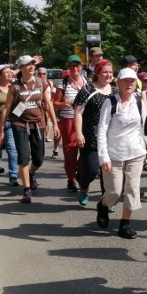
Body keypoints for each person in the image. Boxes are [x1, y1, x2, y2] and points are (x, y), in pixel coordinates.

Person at [95, 68, 147, 239]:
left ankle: (125, 224)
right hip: (114, 154)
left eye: (132, 81)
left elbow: (146, 128)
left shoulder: (139, 102)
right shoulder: (110, 103)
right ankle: (103, 205)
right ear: (118, 83)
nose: (129, 84)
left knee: (132, 189)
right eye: (125, 81)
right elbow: (102, 130)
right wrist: (103, 157)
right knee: (114, 192)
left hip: (136, 153)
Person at [0, 55, 61, 203]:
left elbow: (49, 104)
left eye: (33, 64)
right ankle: (27, 190)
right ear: (21, 68)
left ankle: (31, 174)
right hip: (19, 124)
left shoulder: (41, 83)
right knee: (23, 157)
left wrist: (54, 124)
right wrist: (1, 130)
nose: (31, 67)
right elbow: (6, 109)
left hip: (38, 124)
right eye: (27, 65)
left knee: (39, 159)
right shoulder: (15, 87)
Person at [73, 60, 115, 206]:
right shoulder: (87, 90)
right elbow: (77, 113)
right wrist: (79, 133)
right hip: (90, 137)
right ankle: (83, 185)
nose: (108, 75)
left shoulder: (115, 91)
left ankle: (106, 201)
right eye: (105, 72)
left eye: (110, 72)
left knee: (107, 172)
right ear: (97, 73)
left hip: (110, 139)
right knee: (91, 170)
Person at [54, 55, 87, 193]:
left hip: (86, 119)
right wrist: (63, 103)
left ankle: (80, 173)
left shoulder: (86, 82)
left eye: (77, 65)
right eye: (72, 66)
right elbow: (55, 103)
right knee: (70, 150)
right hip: (68, 119)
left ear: (81, 67)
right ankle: (71, 179)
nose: (75, 68)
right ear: (68, 67)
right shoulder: (63, 83)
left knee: (86, 150)